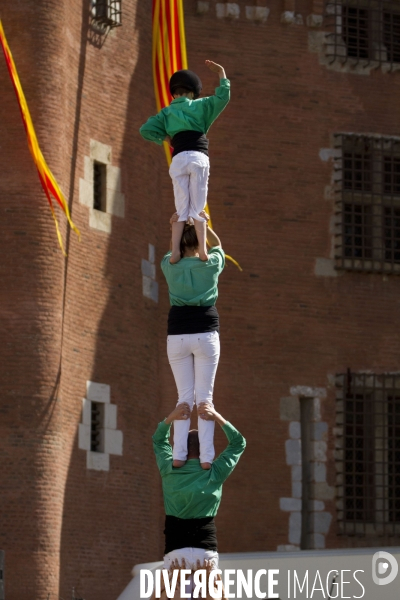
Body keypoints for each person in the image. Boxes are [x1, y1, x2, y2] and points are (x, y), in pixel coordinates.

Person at [139, 60, 230, 263]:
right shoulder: (202, 105)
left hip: (179, 159)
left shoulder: (166, 113)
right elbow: (223, 97)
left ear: (174, 93)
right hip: (198, 157)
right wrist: (221, 73)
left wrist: (165, 138)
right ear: (192, 92)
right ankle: (204, 252)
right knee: (197, 209)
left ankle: (176, 252)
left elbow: (145, 130)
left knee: (182, 210)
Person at [160, 212, 224, 470]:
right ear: (199, 244)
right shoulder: (209, 265)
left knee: (183, 398)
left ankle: (179, 454)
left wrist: (175, 228)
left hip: (177, 334)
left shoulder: (169, 265)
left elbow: (172, 253)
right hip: (206, 332)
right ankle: (206, 457)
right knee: (204, 399)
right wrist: (204, 228)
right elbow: (218, 247)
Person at [152, 402, 246, 573]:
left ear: (181, 449)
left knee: (168, 596)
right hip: (205, 550)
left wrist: (172, 417)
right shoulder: (214, 472)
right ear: (205, 450)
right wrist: (215, 416)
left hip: (176, 550)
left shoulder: (170, 469)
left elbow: (158, 441)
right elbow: (238, 443)